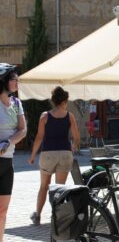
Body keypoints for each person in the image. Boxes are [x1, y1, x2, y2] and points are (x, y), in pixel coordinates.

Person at [28, 86, 80, 225]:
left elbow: (39, 137)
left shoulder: (44, 116)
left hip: (48, 154)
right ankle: (56, 217)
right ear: (64, 101)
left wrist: (33, 155)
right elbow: (76, 137)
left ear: (53, 101)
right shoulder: (70, 116)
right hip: (64, 153)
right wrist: (74, 146)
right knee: (59, 188)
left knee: (44, 186)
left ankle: (37, 215)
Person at [0, 63, 27, 242]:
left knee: (3, 211)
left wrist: (8, 142)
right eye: (14, 78)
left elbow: (23, 129)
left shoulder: (16, 103)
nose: (17, 82)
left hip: (7, 162)